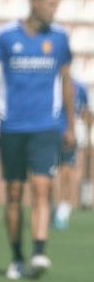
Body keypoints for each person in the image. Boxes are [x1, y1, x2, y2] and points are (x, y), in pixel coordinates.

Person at [0, 0, 74, 280]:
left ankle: (40, 251)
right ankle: (17, 256)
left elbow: (67, 81)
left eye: (57, 5)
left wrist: (70, 123)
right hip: (12, 127)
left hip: (46, 125)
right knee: (15, 192)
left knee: (42, 187)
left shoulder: (59, 38)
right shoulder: (6, 36)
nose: (54, 10)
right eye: (51, 4)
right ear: (34, 3)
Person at [53, 77, 92, 229]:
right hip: (49, 137)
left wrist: (88, 138)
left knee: (67, 175)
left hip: (70, 139)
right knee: (46, 178)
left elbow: (85, 112)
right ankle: (48, 210)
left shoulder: (80, 88)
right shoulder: (51, 84)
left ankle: (62, 214)